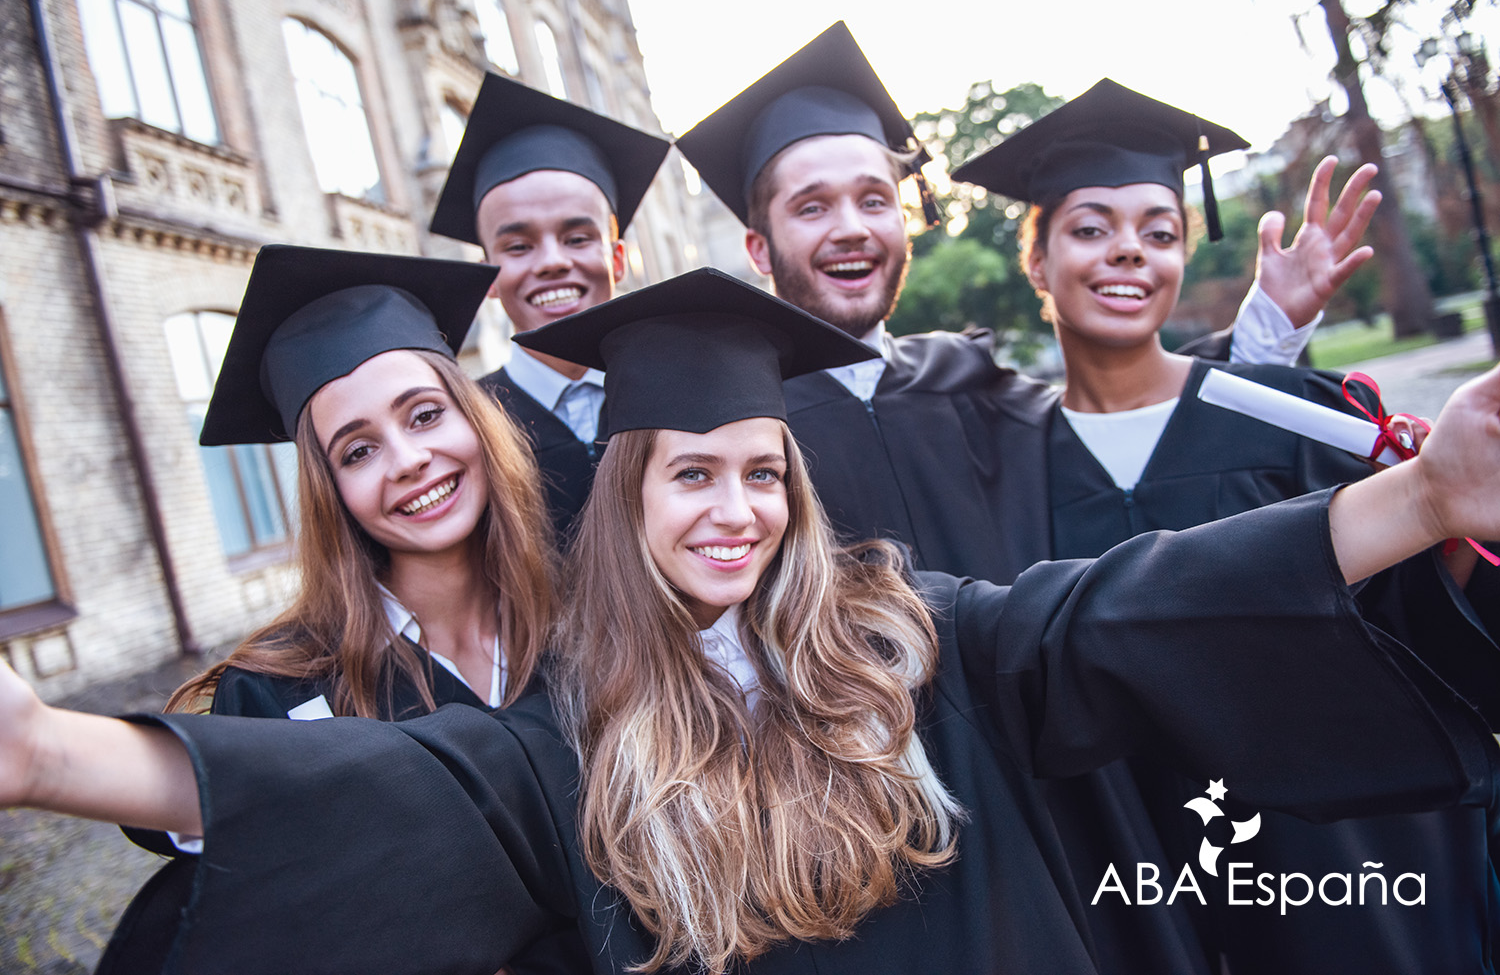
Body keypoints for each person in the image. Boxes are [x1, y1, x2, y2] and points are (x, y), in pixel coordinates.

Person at [4, 268, 1500, 975]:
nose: (732, 507)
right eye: (689, 476)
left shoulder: (918, 634)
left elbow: (1125, 607)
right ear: (627, 499)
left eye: (759, 471)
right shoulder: (573, 733)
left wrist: (1422, 501)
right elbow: (387, 788)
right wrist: (51, 753)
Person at [949, 78, 1498, 975]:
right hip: (1124, 883)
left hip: (1332, 871)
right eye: (1091, 228)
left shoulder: (1294, 415)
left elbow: (1425, 620)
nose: (1128, 251)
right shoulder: (995, 465)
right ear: (1038, 261)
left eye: (1159, 232)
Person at [675, 23, 1363, 584]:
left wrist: (1269, 335)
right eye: (813, 205)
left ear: (904, 223)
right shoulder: (736, 426)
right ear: (760, 250)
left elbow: (1134, 423)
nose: (852, 226)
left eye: (875, 199)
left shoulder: (968, 375)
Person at [97, 244, 585, 975]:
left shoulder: (586, 624)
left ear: (475, 421)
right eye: (357, 452)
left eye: (424, 415)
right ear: (331, 492)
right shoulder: (280, 690)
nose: (408, 459)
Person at [430, 72, 670, 538]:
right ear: (490, 277)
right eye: (518, 247)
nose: (553, 262)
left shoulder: (680, 390)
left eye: (577, 238)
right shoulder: (466, 428)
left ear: (617, 258)